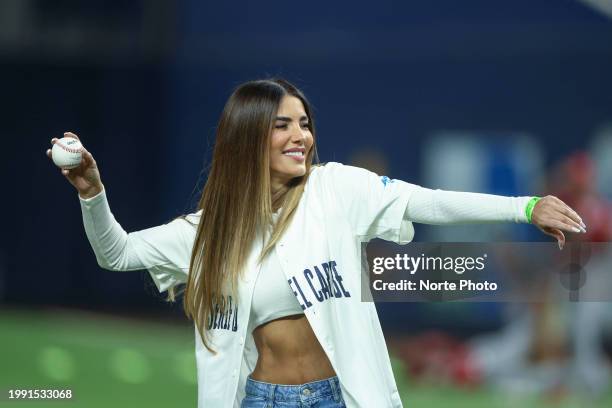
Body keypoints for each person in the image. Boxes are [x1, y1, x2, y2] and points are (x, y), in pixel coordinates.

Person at [46, 78, 586, 408]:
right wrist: (93, 192)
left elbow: (428, 201)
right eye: (282, 125)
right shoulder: (207, 233)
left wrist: (524, 207)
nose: (300, 135)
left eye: (303, 123)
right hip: (261, 400)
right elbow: (116, 253)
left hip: (339, 396)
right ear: (250, 136)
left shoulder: (336, 189)